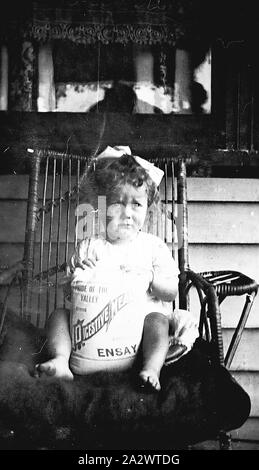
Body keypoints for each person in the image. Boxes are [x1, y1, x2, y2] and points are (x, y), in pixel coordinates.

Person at [34, 146, 197, 391]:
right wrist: (76, 273)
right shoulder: (90, 246)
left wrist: (151, 279)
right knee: (58, 315)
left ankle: (151, 368)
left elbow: (172, 293)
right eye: (118, 204)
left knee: (158, 320)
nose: (127, 213)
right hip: (94, 334)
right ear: (103, 207)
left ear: (147, 208)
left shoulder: (152, 247)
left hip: (137, 338)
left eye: (136, 205)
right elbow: (72, 297)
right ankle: (60, 359)